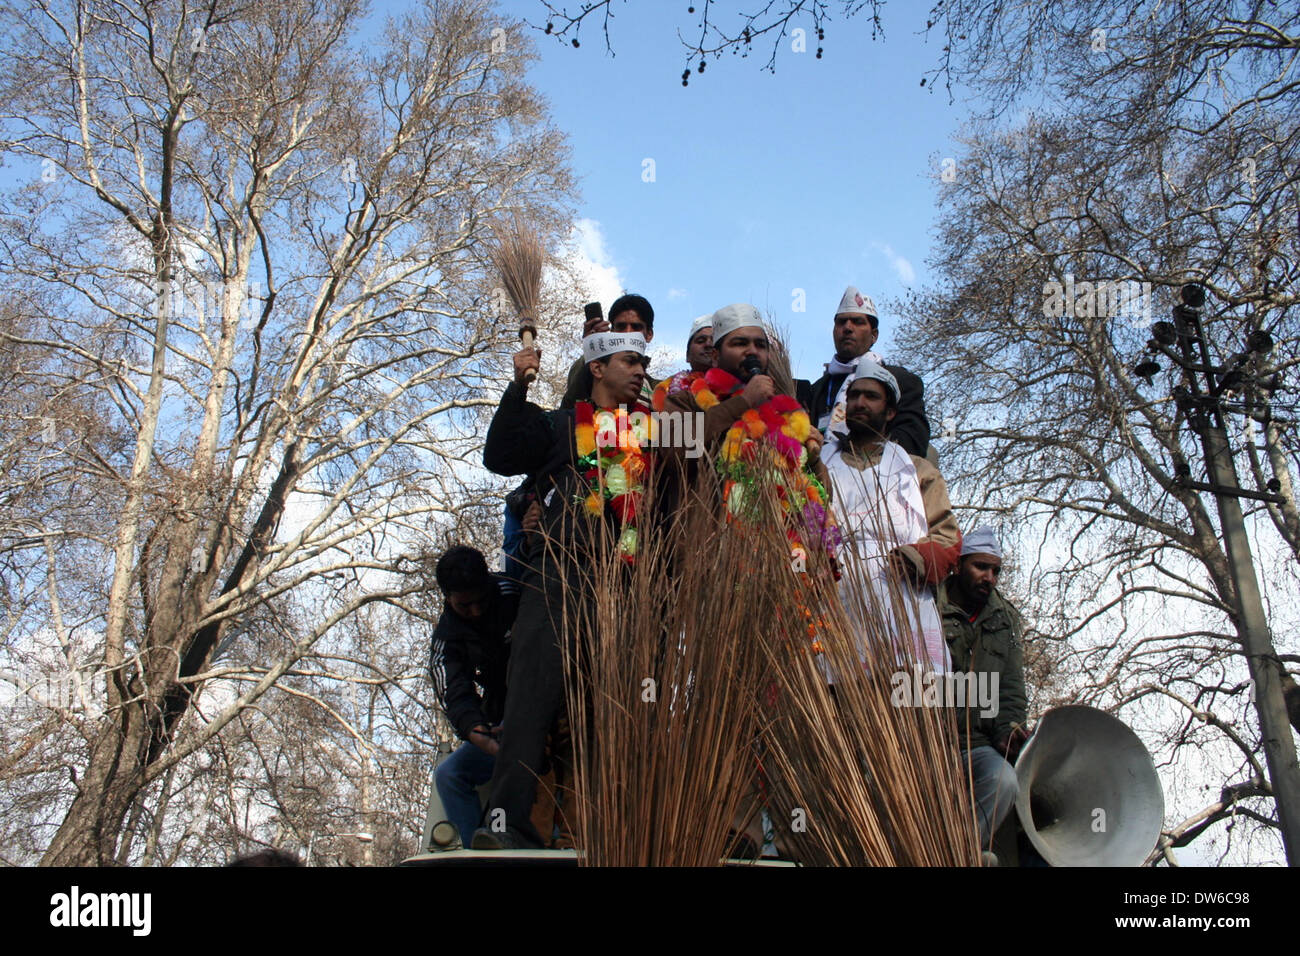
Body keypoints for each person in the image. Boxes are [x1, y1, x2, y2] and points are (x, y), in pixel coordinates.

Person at [474, 329, 654, 849]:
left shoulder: (650, 431)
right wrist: (518, 388)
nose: (641, 371)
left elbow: (703, 438)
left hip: (623, 588)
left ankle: (604, 834)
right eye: (628, 362)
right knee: (531, 701)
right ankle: (505, 825)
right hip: (556, 580)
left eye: (643, 363)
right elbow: (500, 454)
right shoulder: (559, 425)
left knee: (611, 713)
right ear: (597, 369)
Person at [822, 357, 960, 671]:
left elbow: (948, 538)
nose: (859, 403)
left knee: (902, 707)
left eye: (871, 396)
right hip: (833, 607)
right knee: (835, 702)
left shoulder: (917, 471)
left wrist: (917, 557)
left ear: (891, 412)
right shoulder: (820, 465)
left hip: (902, 608)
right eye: (854, 395)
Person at [937, 527, 1029, 859]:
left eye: (996, 571)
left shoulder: (1006, 621)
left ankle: (957, 855)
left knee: (1004, 781)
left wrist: (1009, 729)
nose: (989, 577)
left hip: (975, 743)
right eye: (980, 567)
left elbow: (1011, 689)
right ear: (959, 564)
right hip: (928, 741)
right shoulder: (927, 604)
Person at [428, 545, 520, 847]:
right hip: (497, 726)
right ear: (447, 598)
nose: (476, 611)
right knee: (449, 775)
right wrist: (476, 730)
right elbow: (453, 689)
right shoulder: (447, 635)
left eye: (481, 601)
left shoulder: (516, 595)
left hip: (546, 716)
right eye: (464, 606)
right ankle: (479, 851)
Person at [805, 286, 931, 458]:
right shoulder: (816, 390)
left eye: (858, 322)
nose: (848, 327)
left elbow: (912, 441)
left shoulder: (900, 381)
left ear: (874, 335)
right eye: (841, 322)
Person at [561, 293, 661, 407]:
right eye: (621, 327)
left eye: (636, 327)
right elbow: (570, 405)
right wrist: (592, 351)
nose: (627, 333)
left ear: (649, 335)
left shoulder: (661, 390)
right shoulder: (591, 366)